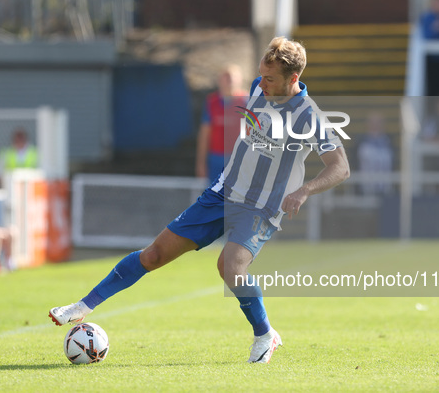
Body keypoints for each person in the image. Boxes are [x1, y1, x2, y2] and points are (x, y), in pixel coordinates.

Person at [49, 37, 350, 364]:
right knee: (153, 255)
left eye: (270, 79)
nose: (262, 84)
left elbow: (341, 167)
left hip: (261, 207)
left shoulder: (309, 117)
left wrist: (304, 190)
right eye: (261, 75)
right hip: (222, 194)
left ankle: (264, 334)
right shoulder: (256, 88)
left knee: (230, 268)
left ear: (293, 80)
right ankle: (82, 306)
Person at [196, 65, 248, 184]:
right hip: (216, 159)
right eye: (226, 77)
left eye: (232, 77)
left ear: (239, 80)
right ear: (219, 80)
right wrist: (201, 163)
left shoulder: (247, 101)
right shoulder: (212, 102)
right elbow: (204, 134)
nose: (229, 81)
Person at [356, 112, 394, 195]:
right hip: (365, 187)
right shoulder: (360, 142)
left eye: (378, 122)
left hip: (385, 187)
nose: (376, 125)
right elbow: (354, 162)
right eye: (373, 122)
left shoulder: (388, 141)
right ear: (367, 124)